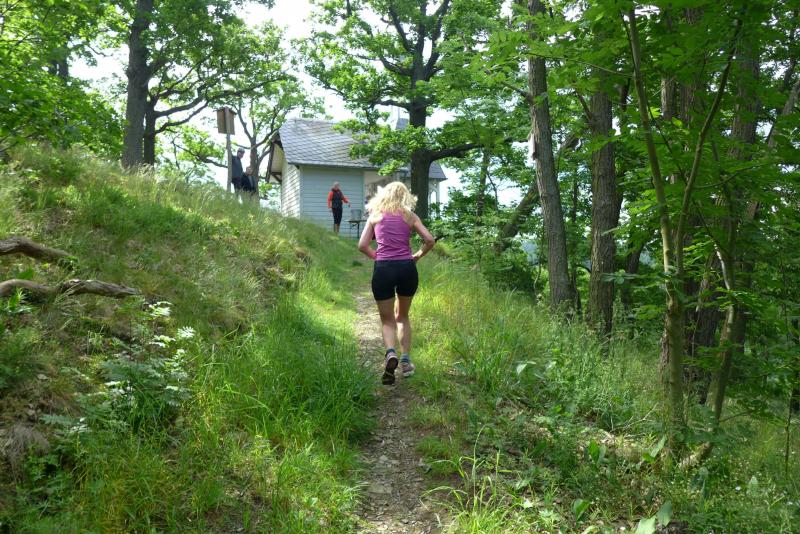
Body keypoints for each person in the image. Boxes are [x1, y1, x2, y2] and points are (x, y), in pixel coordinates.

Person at [357, 182, 436, 385]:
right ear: (404, 196)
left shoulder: (375, 215)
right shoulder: (410, 216)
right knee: (402, 316)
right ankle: (406, 362)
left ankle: (391, 353)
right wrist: (417, 256)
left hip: (384, 269)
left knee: (387, 320)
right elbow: (429, 240)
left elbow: (362, 245)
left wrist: (377, 257)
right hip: (407, 268)